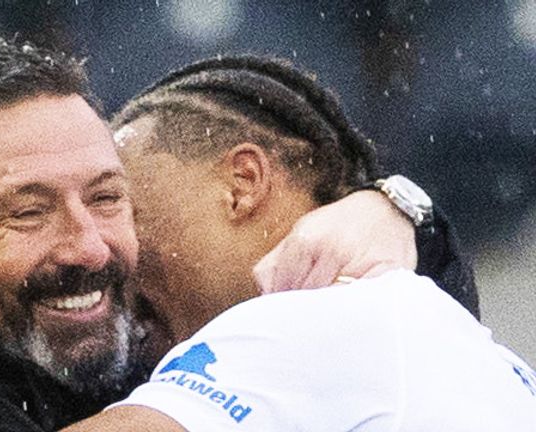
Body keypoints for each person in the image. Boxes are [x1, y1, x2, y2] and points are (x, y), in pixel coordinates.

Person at [0, 40, 476, 432]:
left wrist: (401, 214)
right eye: (28, 211)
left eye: (109, 198)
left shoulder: (100, 345)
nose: (90, 247)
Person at [62, 55, 536, 431]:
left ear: (242, 183)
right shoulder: (465, 346)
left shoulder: (309, 321)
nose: (108, 251)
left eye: (122, 206)